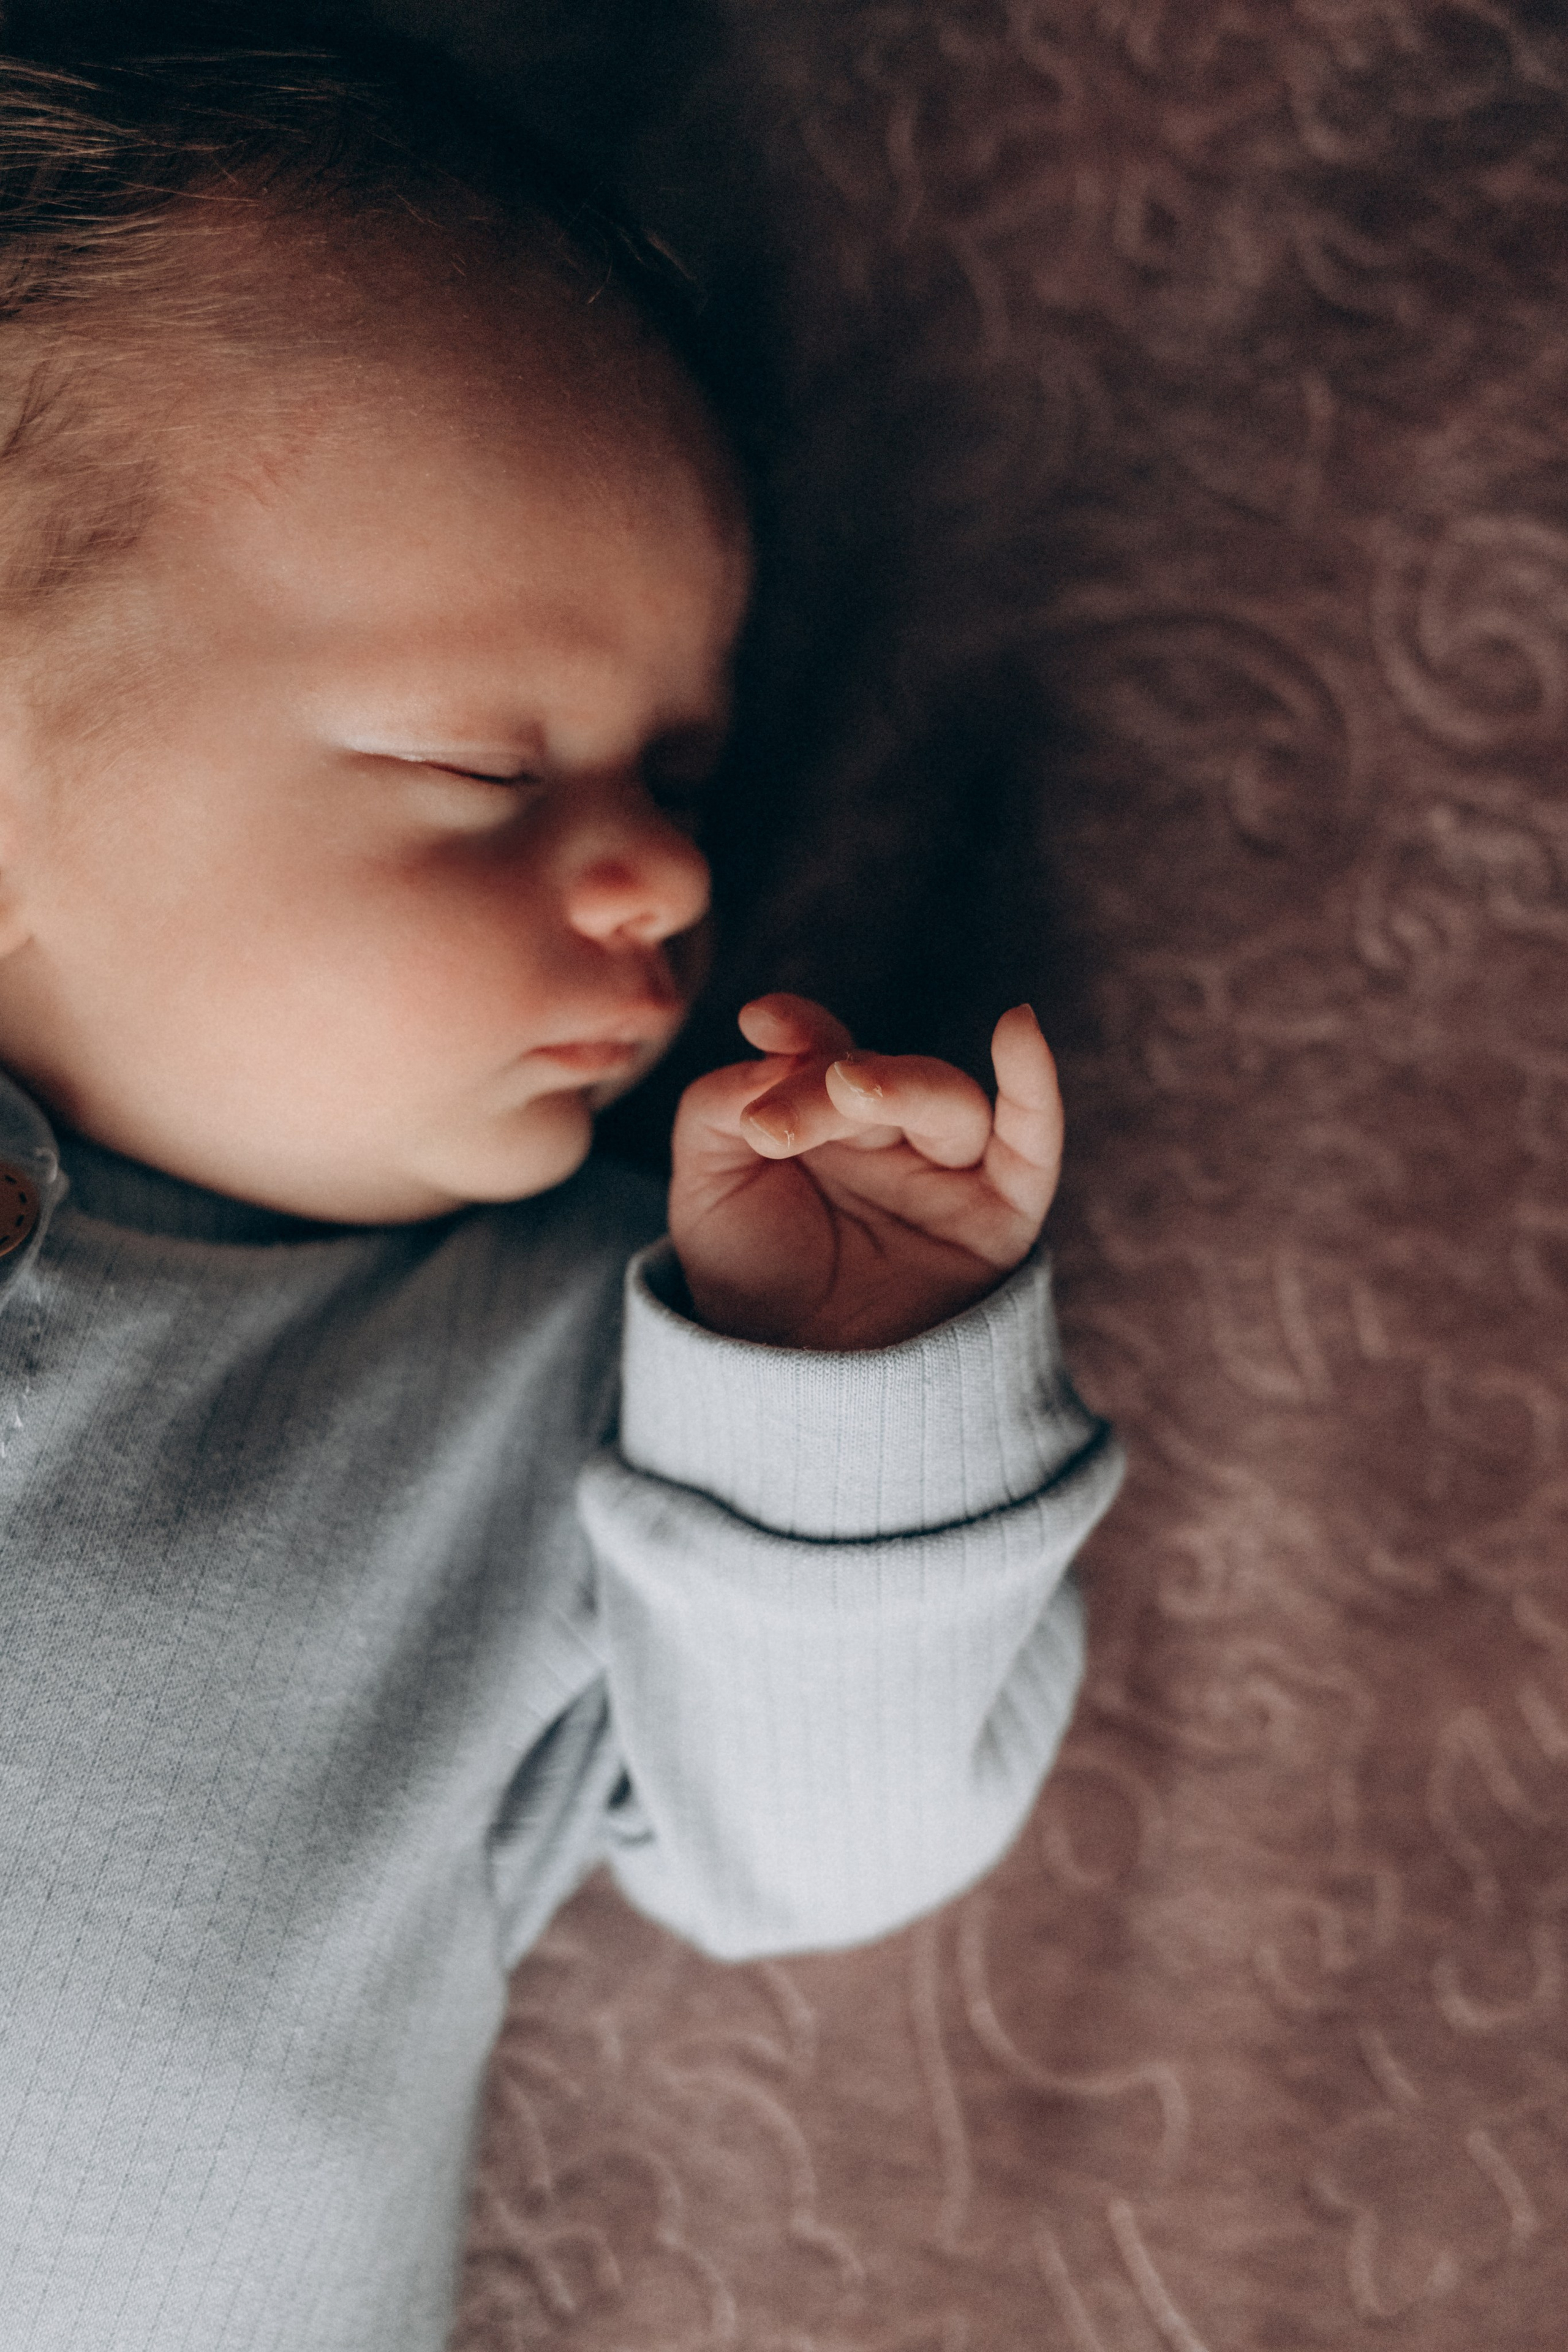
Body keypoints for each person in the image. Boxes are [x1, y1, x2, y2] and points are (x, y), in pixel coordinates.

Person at [0, 10, 1123, 2348]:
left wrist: (840, 1402)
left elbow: (815, 1853)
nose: (667, 876)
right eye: (478, 768)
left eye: (680, 776)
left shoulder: (565, 1377)